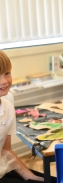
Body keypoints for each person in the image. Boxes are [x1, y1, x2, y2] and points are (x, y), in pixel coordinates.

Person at [0, 50, 55, 183]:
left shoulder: (7, 104)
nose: (4, 81)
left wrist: (31, 177)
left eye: (7, 73)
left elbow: (6, 149)